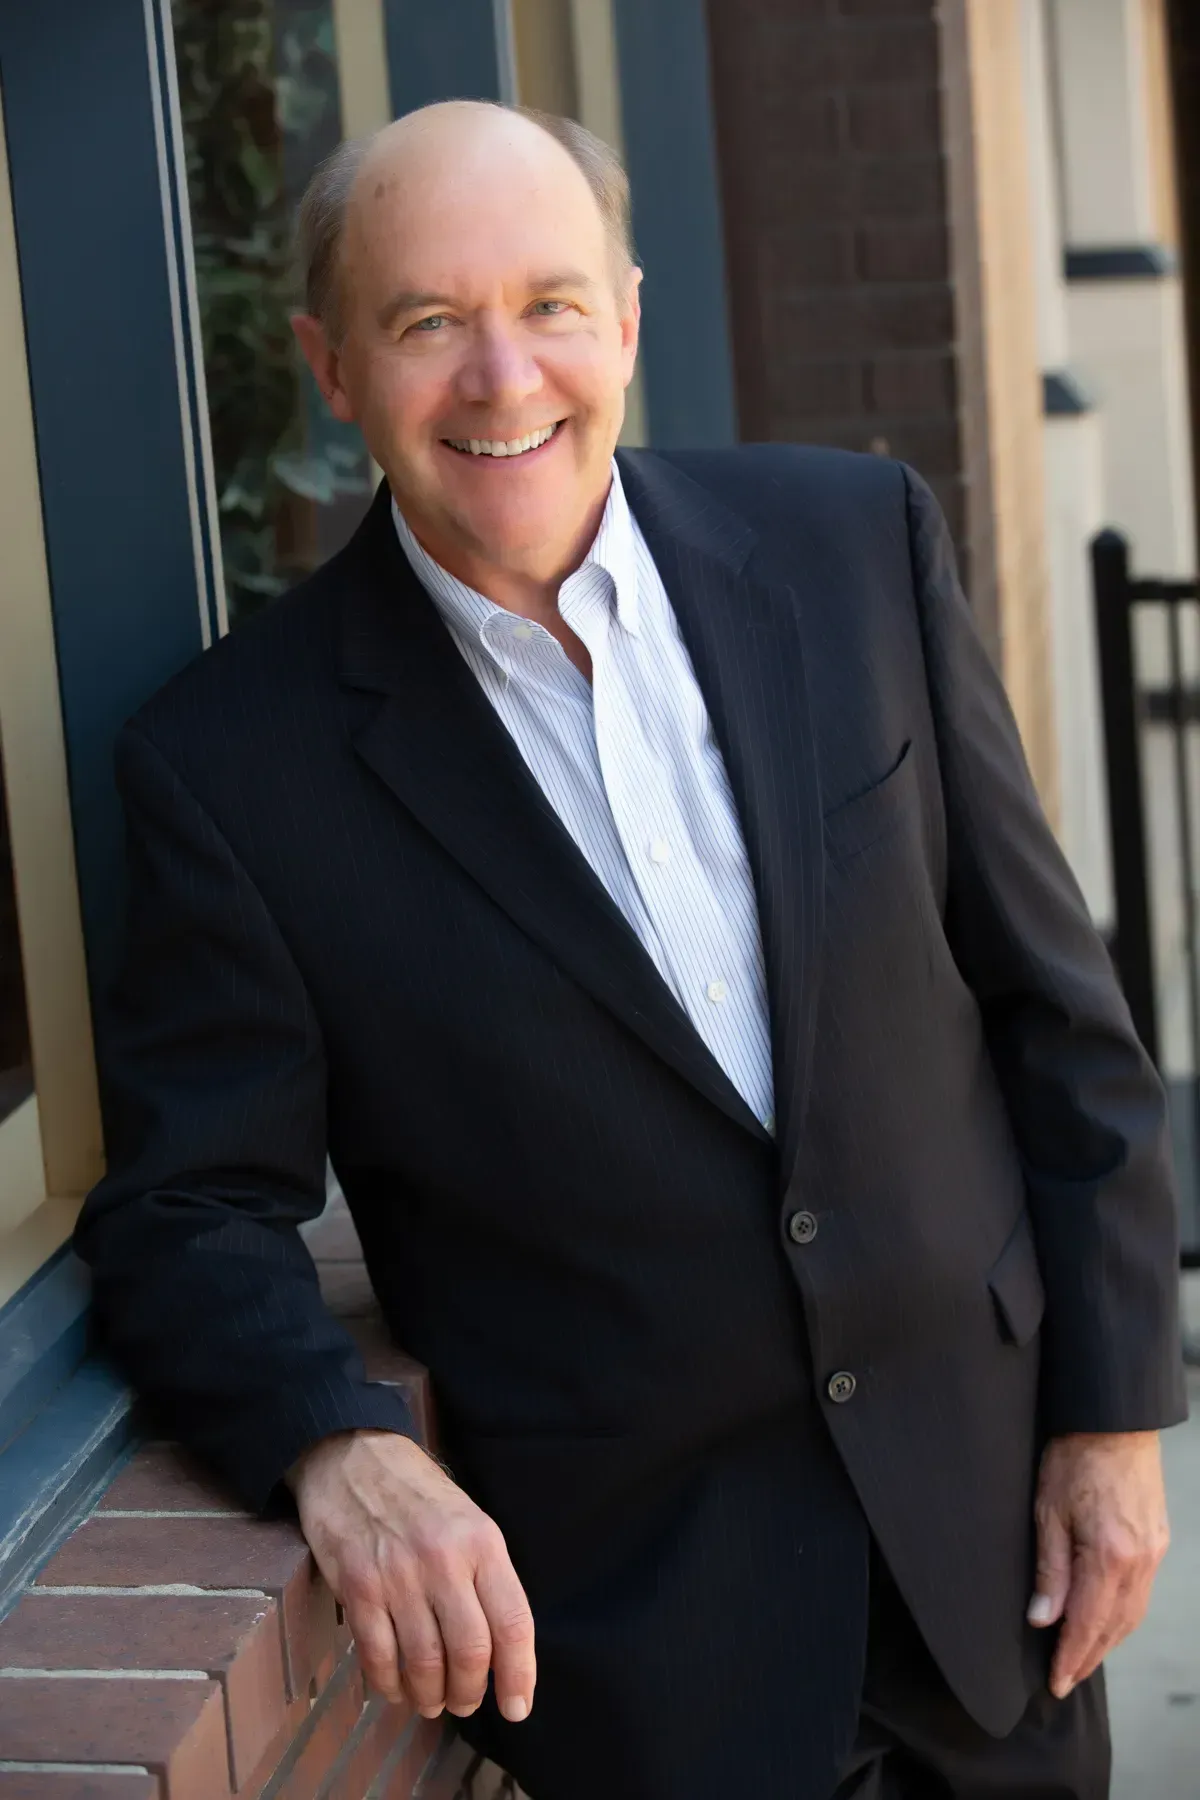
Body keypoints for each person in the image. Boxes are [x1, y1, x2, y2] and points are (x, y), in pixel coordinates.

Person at [76, 101, 1185, 1800]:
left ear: (632, 320)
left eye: (551, 305)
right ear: (329, 364)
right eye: (429, 322)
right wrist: (332, 1446)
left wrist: (1114, 1414)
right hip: (663, 1668)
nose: (505, 380)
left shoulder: (854, 549)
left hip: (1000, 1571)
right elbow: (185, 1208)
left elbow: (1054, 1005)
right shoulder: (233, 769)